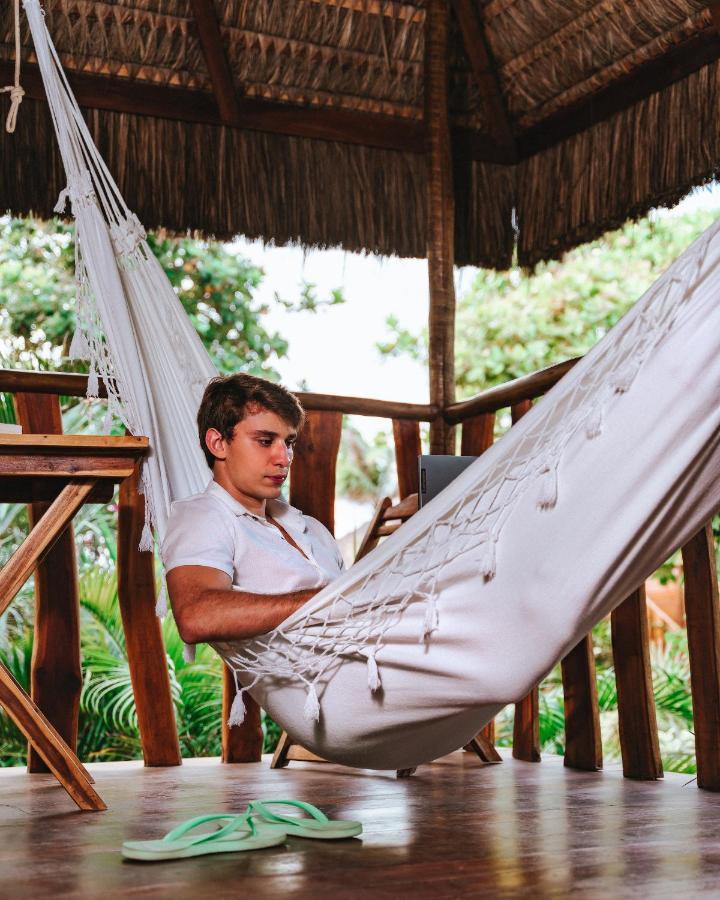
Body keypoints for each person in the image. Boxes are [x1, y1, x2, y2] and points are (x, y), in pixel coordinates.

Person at [161, 373, 345, 646]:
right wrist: (330, 601)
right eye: (265, 441)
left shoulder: (312, 528)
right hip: (320, 680)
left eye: (289, 443)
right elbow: (196, 616)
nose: (284, 459)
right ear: (218, 444)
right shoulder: (204, 517)